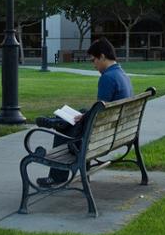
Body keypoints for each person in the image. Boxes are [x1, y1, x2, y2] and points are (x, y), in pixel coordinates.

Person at [34, 37, 133, 187]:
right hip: (114, 133)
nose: (93, 65)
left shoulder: (107, 78)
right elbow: (103, 110)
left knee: (64, 129)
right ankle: (57, 121)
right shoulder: (121, 74)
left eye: (94, 60)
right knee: (80, 113)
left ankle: (56, 176)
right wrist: (85, 115)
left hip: (97, 138)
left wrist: (85, 117)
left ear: (102, 56)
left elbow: (99, 113)